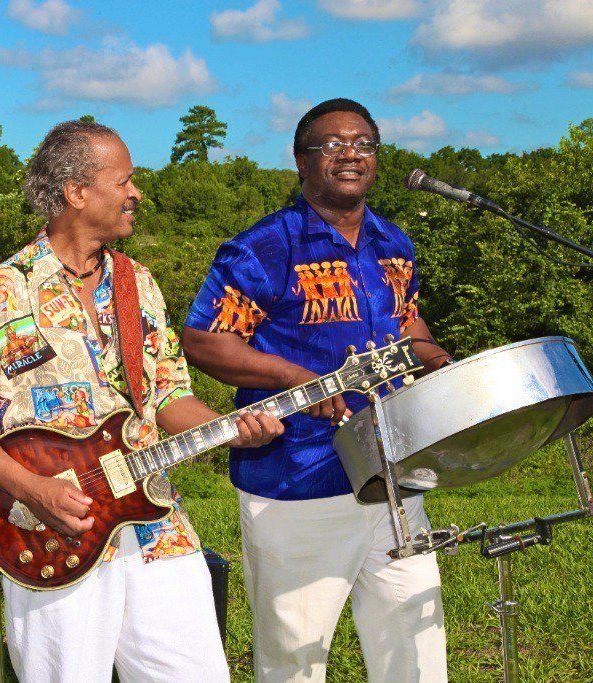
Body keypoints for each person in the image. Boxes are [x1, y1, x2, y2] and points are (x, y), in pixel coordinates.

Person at [0, 120, 284, 682]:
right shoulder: (3, 290)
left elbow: (168, 396)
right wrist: (32, 489)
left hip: (155, 522)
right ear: (77, 193)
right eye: (124, 181)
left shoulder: (139, 283)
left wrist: (232, 426)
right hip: (52, 530)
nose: (136, 193)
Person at [182, 98, 452, 682]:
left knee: (415, 648)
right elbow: (204, 341)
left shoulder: (393, 242)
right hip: (298, 480)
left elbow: (407, 321)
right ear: (301, 161)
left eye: (363, 144)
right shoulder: (263, 248)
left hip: (393, 474)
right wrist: (295, 378)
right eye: (332, 144)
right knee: (295, 659)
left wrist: (441, 362)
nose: (350, 153)